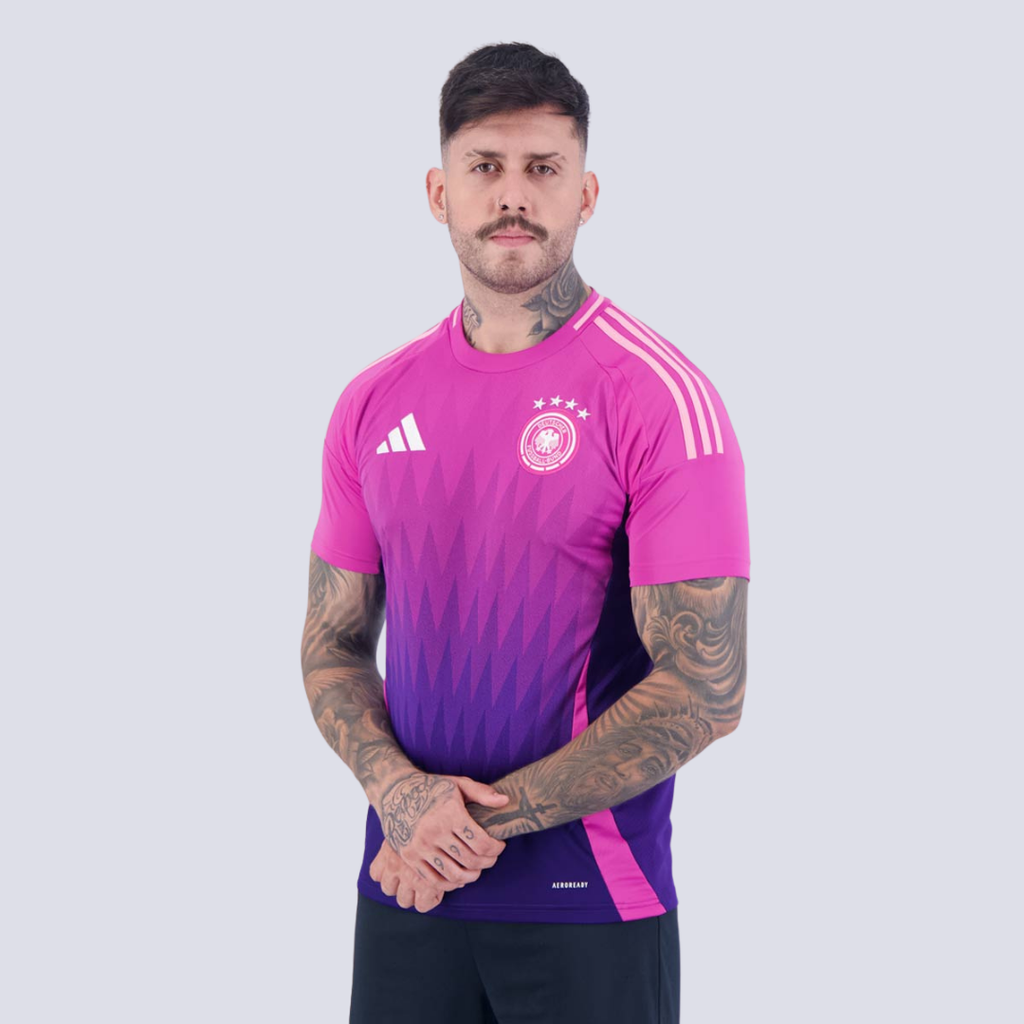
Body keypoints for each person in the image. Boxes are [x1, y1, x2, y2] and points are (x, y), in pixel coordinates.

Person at [301, 40, 750, 1024]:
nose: (513, 195)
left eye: (543, 168)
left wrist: (458, 828)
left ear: (586, 193)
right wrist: (402, 800)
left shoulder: (657, 398)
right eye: (485, 166)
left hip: (588, 902)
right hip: (407, 894)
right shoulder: (372, 402)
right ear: (439, 192)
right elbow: (332, 642)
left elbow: (707, 687)